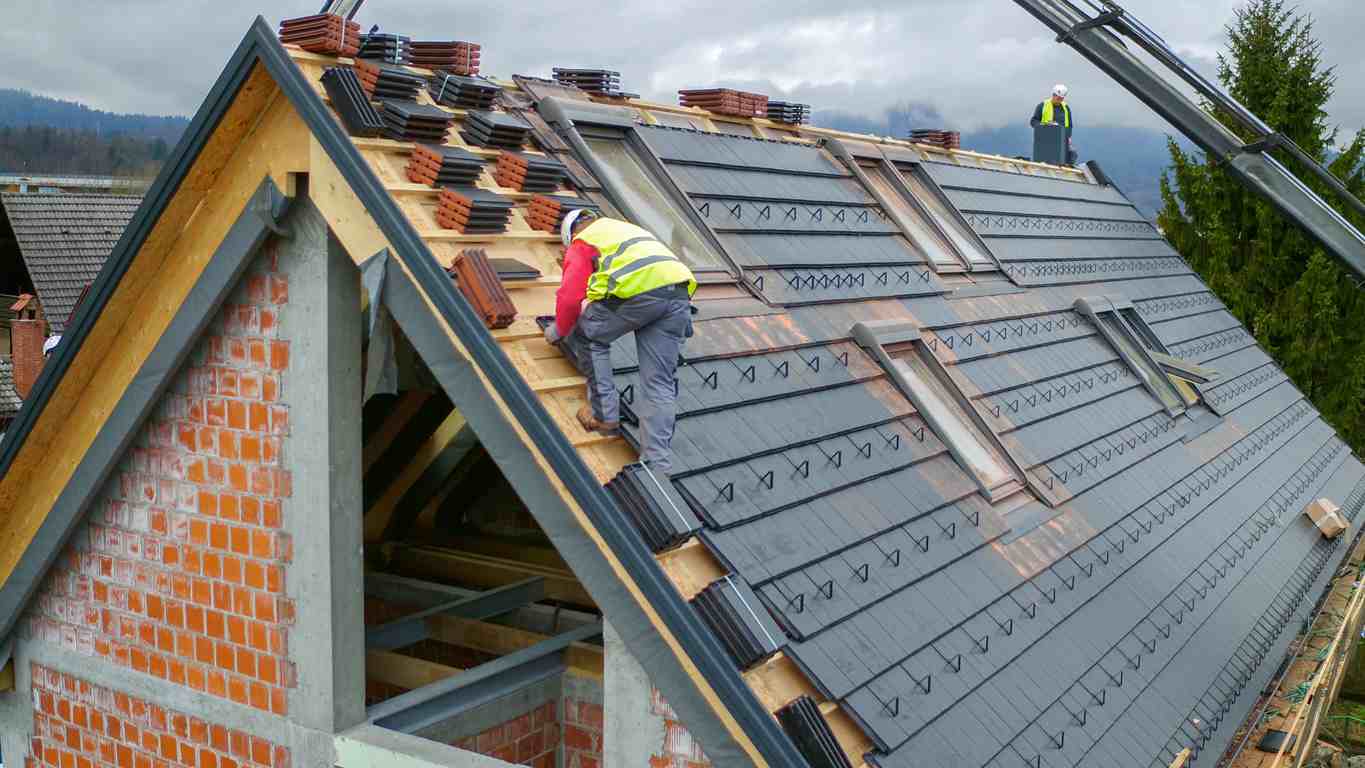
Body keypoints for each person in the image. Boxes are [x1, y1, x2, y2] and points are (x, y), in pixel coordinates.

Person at [543, 209, 696, 473]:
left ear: (571, 235)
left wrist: (558, 331)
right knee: (659, 383)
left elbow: (569, 298)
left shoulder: (583, 242)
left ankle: (604, 415)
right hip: (678, 296)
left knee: (588, 335)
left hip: (639, 295)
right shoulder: (624, 229)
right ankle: (656, 465)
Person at [1031, 84, 1076, 164]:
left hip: (1062, 141)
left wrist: (1068, 136)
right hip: (1045, 141)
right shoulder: (1043, 105)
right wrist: (1044, 125)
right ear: (1053, 95)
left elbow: (1069, 125)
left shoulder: (1066, 108)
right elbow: (1033, 121)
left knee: (1070, 156)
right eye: (1057, 97)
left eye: (1061, 98)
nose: (1059, 100)